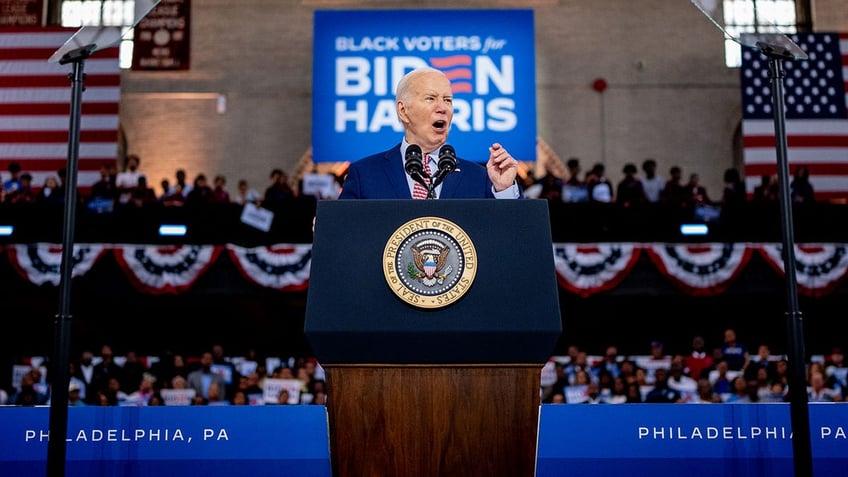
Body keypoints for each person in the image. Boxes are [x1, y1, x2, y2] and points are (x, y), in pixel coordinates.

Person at [338, 66, 521, 200]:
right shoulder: (365, 174)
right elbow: (343, 237)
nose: (442, 108)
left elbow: (515, 237)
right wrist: (329, 226)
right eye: (430, 98)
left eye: (447, 100)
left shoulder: (481, 178)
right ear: (403, 111)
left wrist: (504, 190)